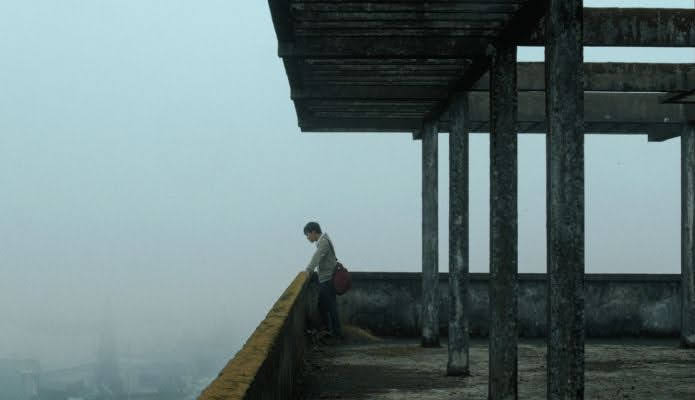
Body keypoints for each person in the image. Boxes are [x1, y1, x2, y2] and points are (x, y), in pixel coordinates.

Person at [303, 221, 342, 338]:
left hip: (327, 279)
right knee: (327, 306)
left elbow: (317, 257)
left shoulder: (323, 242)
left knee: (328, 307)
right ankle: (331, 331)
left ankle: (334, 333)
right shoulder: (323, 240)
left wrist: (308, 270)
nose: (307, 238)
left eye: (307, 234)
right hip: (326, 279)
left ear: (313, 232)